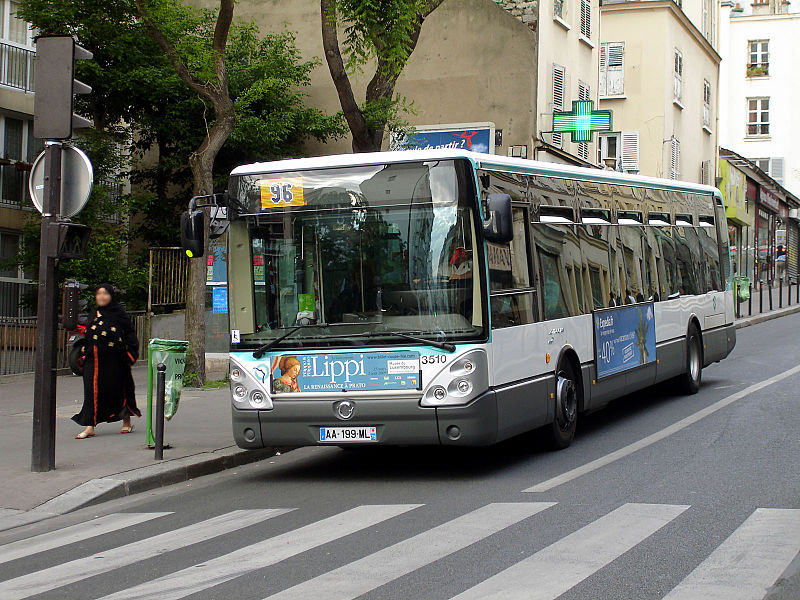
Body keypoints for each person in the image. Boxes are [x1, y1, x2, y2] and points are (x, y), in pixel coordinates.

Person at [73, 284, 140, 439]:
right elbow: (88, 334)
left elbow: (130, 334)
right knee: (91, 392)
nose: (101, 297)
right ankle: (90, 426)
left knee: (118, 389)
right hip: (93, 360)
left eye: (105, 294)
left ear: (111, 296)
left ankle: (126, 420)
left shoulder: (119, 313)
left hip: (115, 360)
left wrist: (130, 354)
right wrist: (84, 349)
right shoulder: (94, 314)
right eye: (99, 294)